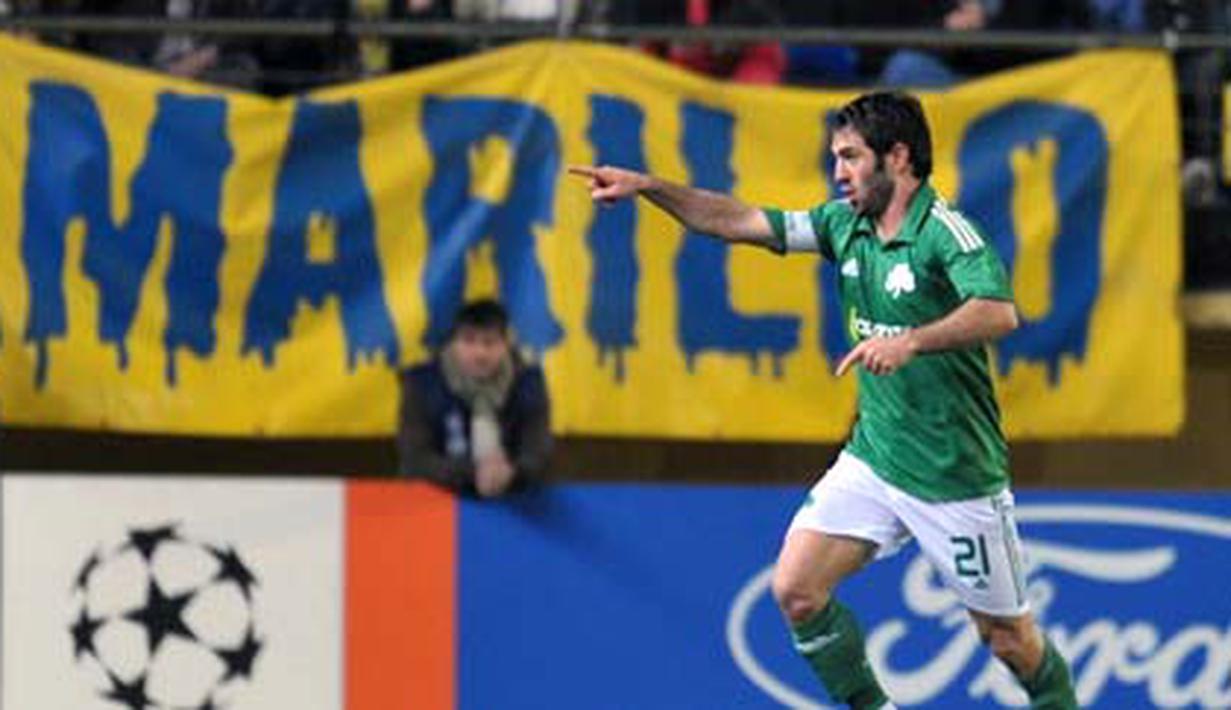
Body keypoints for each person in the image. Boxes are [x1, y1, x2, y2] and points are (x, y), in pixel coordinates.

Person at [569, 92, 1078, 709]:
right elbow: (736, 222)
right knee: (796, 589)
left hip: (956, 473)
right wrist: (649, 186)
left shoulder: (945, 233)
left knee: (1007, 641)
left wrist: (914, 341)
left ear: (897, 157)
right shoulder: (844, 226)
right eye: (836, 156)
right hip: (875, 457)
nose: (838, 171)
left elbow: (999, 313)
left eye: (850, 156)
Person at [397, 298, 552, 498]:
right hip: (439, 502)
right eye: (469, 341)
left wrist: (513, 472)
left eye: (489, 342)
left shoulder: (528, 382)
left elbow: (538, 451)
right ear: (453, 343)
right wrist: (474, 472)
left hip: (512, 499)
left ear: (506, 344)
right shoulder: (422, 383)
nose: (480, 353)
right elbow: (415, 460)